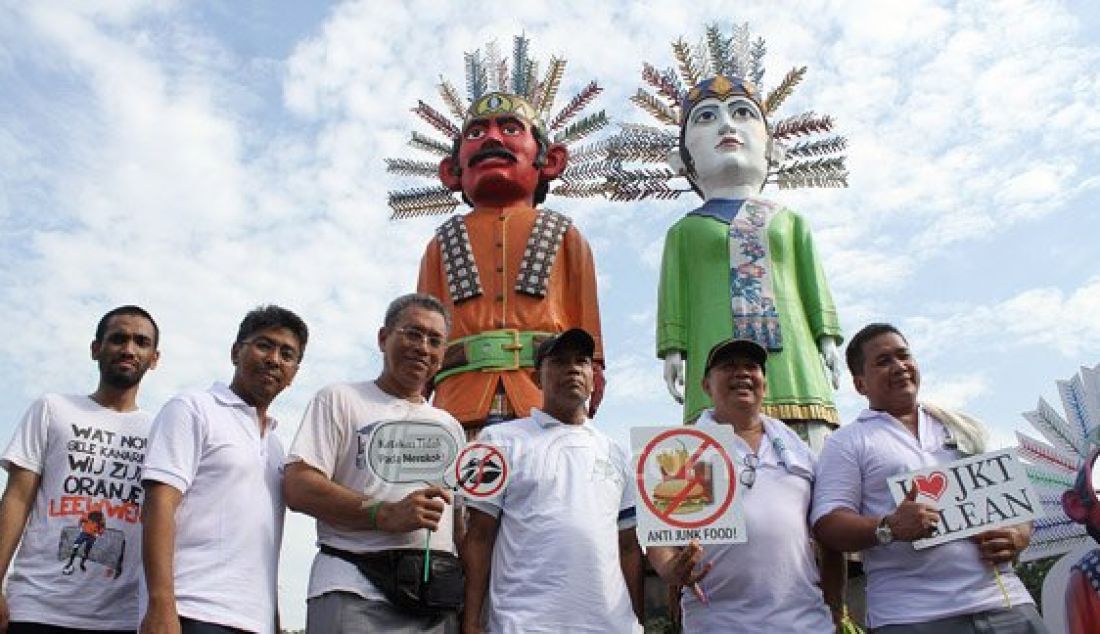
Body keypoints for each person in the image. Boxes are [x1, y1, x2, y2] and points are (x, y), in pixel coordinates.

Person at [607, 25, 845, 451]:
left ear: (772, 147)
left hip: (797, 366)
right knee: (719, 467)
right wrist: (673, 348)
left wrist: (827, 338)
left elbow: (814, 286)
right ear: (681, 157)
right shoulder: (686, 231)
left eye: (741, 113)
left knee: (813, 461)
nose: (725, 127)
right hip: (711, 353)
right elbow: (674, 295)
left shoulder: (790, 222)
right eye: (705, 117)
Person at [391, 35, 609, 436]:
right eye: (476, 133)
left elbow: (586, 317)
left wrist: (593, 370)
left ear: (551, 159)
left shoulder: (564, 234)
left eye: (511, 129)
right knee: (464, 495)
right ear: (452, 170)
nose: (492, 139)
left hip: (544, 398)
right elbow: (423, 324)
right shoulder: (442, 242)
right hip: (459, 399)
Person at [812, 323, 1045, 632]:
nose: (899, 367)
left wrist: (1018, 535)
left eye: (903, 356)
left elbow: (1014, 500)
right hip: (913, 617)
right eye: (883, 362)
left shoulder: (961, 426)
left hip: (1006, 605)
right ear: (860, 384)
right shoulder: (848, 441)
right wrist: (888, 526)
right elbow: (828, 524)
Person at [283, 293, 465, 633]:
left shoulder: (449, 426)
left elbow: (461, 520)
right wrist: (383, 513)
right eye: (412, 333)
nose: (423, 347)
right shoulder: (339, 399)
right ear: (383, 338)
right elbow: (298, 485)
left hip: (434, 606)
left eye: (434, 340)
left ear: (442, 355)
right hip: (353, 590)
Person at [648, 338, 843, 632]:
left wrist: (835, 606)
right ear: (705, 385)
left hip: (805, 621)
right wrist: (670, 569)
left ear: (764, 383)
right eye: (728, 366)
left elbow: (827, 535)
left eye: (751, 367)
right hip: (719, 624)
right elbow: (660, 540)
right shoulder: (680, 450)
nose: (742, 373)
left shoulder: (798, 450)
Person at [462, 328, 643, 634]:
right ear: (537, 377)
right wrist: (470, 619)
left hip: (611, 626)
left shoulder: (617, 452)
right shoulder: (497, 441)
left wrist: (638, 619)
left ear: (593, 376)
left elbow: (628, 547)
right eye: (559, 361)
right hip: (523, 624)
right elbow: (479, 537)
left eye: (582, 361)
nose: (573, 368)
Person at [139, 305, 307, 634]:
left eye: (287, 354)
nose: (274, 359)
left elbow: (262, 541)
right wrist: (161, 605)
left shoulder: (276, 444)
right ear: (235, 352)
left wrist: (273, 620)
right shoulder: (192, 408)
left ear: (294, 371)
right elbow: (159, 505)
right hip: (192, 608)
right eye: (264, 345)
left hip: (254, 622)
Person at [0, 305, 160, 633]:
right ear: (95, 349)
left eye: (141, 342)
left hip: (121, 617)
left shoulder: (160, 431)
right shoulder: (53, 409)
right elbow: (17, 499)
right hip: (38, 607)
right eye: (118, 339)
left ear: (154, 358)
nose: (129, 349)